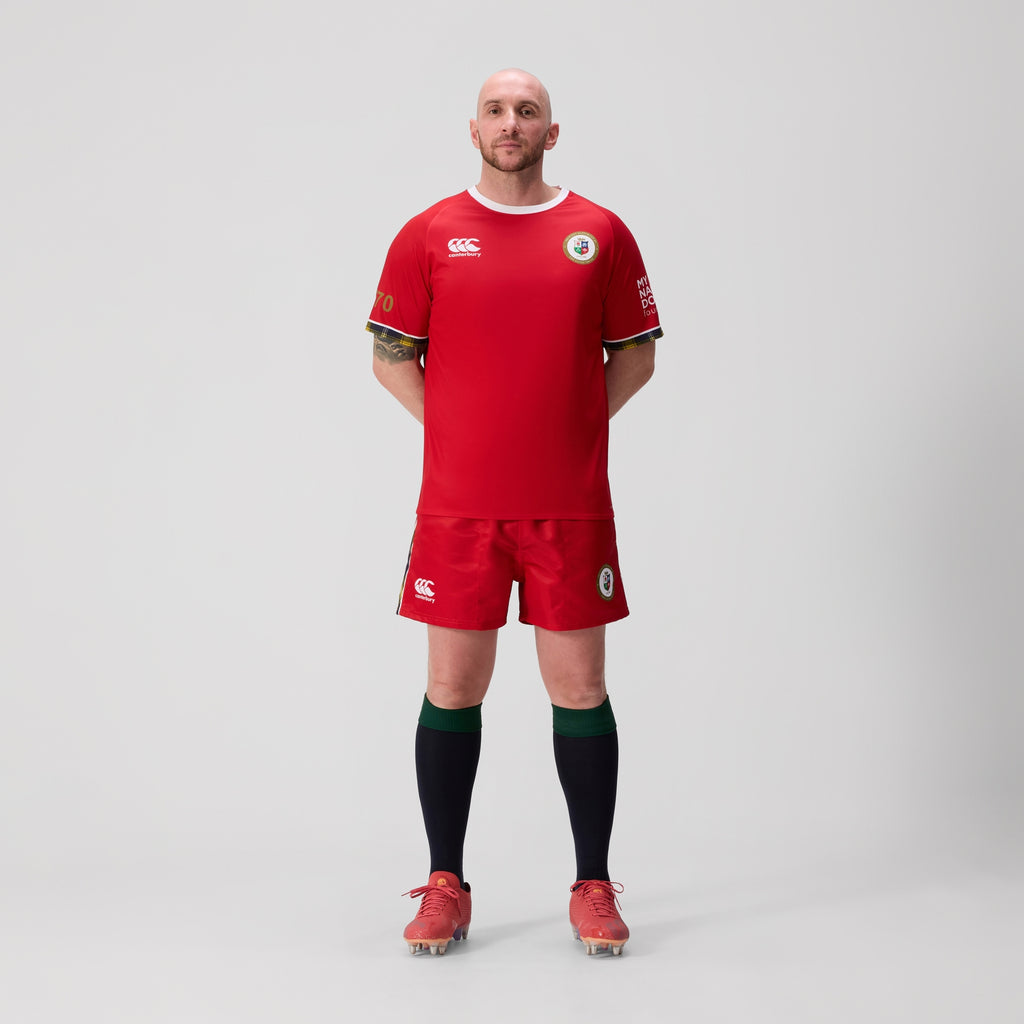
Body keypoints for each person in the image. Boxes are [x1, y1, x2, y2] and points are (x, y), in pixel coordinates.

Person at [366, 68, 662, 957]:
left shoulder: (599, 232)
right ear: (473, 129)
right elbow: (390, 355)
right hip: (460, 510)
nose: (510, 122)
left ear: (551, 132)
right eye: (495, 110)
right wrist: (463, 433)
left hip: (568, 506)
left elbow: (637, 355)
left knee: (580, 690)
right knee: (453, 688)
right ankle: (445, 885)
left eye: (527, 111)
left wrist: (566, 429)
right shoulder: (429, 234)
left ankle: (593, 886)